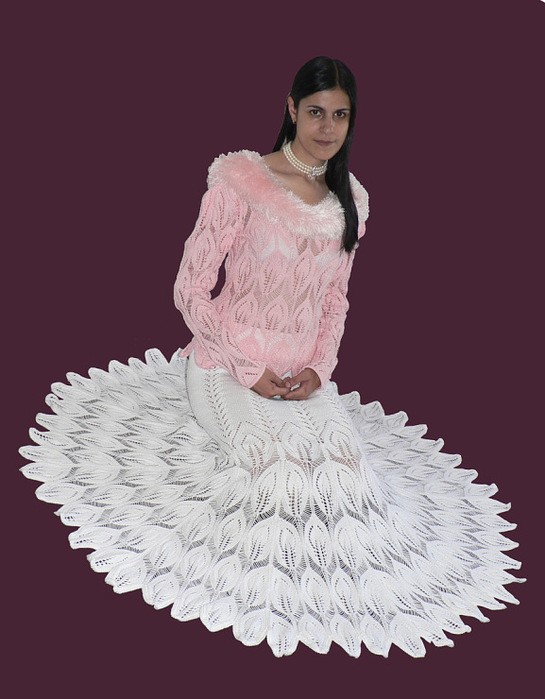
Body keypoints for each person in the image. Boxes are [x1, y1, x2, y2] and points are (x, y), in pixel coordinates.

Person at [20, 56, 525, 659]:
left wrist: (319, 370)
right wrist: (247, 370)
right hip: (225, 362)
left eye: (341, 115)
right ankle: (268, 597)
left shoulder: (351, 200)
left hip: (301, 375)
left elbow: (335, 301)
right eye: (316, 112)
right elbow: (189, 288)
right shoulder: (242, 181)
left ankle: (345, 602)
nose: (327, 128)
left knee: (347, 473)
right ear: (291, 109)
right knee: (276, 475)